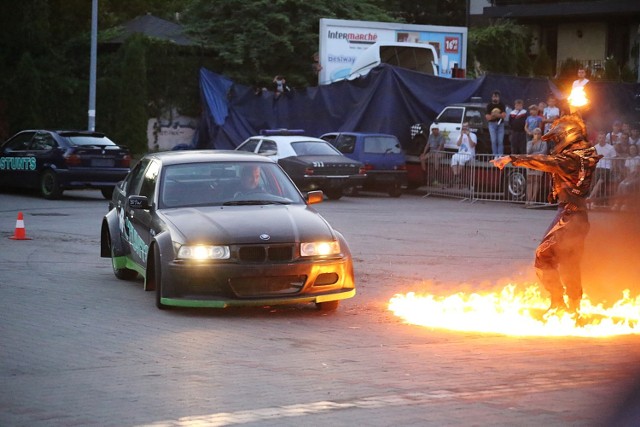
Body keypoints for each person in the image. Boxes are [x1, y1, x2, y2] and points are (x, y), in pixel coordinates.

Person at [491, 114, 601, 318]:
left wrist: (511, 159)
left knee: (544, 256)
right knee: (569, 261)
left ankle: (559, 302)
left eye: (557, 138)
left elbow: (545, 161)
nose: (556, 143)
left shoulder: (572, 159)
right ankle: (573, 308)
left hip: (570, 215)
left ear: (567, 136)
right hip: (575, 215)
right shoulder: (579, 154)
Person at [587, 131, 616, 208]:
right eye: (600, 138)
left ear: (605, 139)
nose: (601, 139)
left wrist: (612, 169)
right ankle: (592, 202)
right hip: (597, 168)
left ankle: (590, 199)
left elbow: (614, 160)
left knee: (600, 181)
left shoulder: (610, 148)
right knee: (592, 183)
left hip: (607, 168)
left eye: (603, 138)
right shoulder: (595, 147)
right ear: (597, 138)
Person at [525, 127, 547, 206]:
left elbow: (543, 152)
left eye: (538, 134)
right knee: (529, 181)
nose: (536, 135)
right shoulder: (529, 143)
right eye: (535, 134)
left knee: (536, 181)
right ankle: (528, 198)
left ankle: (533, 199)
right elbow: (528, 152)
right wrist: (533, 144)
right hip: (530, 163)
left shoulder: (543, 143)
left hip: (539, 163)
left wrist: (533, 155)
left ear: (541, 135)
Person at [485, 90, 507, 157]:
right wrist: (498, 115)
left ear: (499, 97)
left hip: (501, 125)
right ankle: (495, 156)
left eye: (496, 97)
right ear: (492, 97)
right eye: (494, 97)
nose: (495, 98)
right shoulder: (489, 105)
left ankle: (500, 155)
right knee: (493, 140)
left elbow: (503, 116)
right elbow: (488, 118)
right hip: (492, 125)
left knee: (500, 140)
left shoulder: (502, 105)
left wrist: (493, 115)